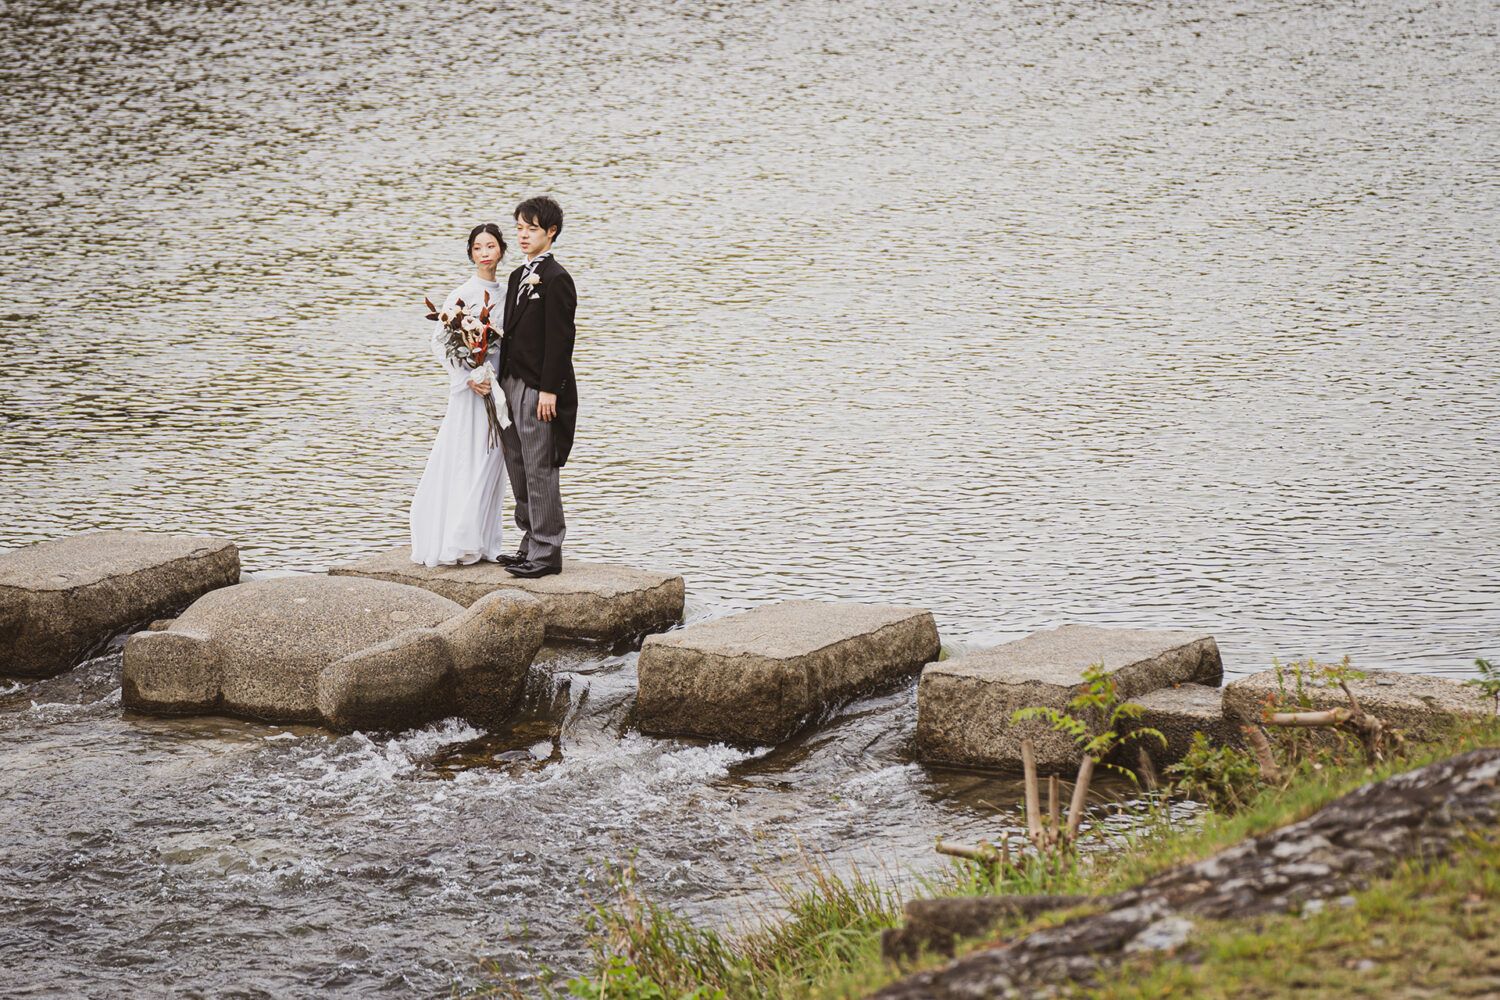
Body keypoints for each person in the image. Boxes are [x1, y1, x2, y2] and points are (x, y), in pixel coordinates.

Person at [408, 223, 510, 567]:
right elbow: (439, 342)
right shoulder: (462, 294)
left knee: (493, 459)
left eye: (490, 246)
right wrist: (467, 378)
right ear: (470, 253)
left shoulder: (507, 294)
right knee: (466, 456)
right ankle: (458, 539)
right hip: (469, 393)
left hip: (497, 389)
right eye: (478, 248)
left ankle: (486, 540)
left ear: (501, 250)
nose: (484, 253)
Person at [495, 196, 578, 578]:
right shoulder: (517, 276)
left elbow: (561, 341)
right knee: (517, 464)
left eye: (531, 228)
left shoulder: (557, 279)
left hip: (538, 389)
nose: (523, 235)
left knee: (540, 467)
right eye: (519, 228)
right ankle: (529, 542)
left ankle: (547, 552)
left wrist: (549, 390)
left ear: (551, 232)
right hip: (510, 383)